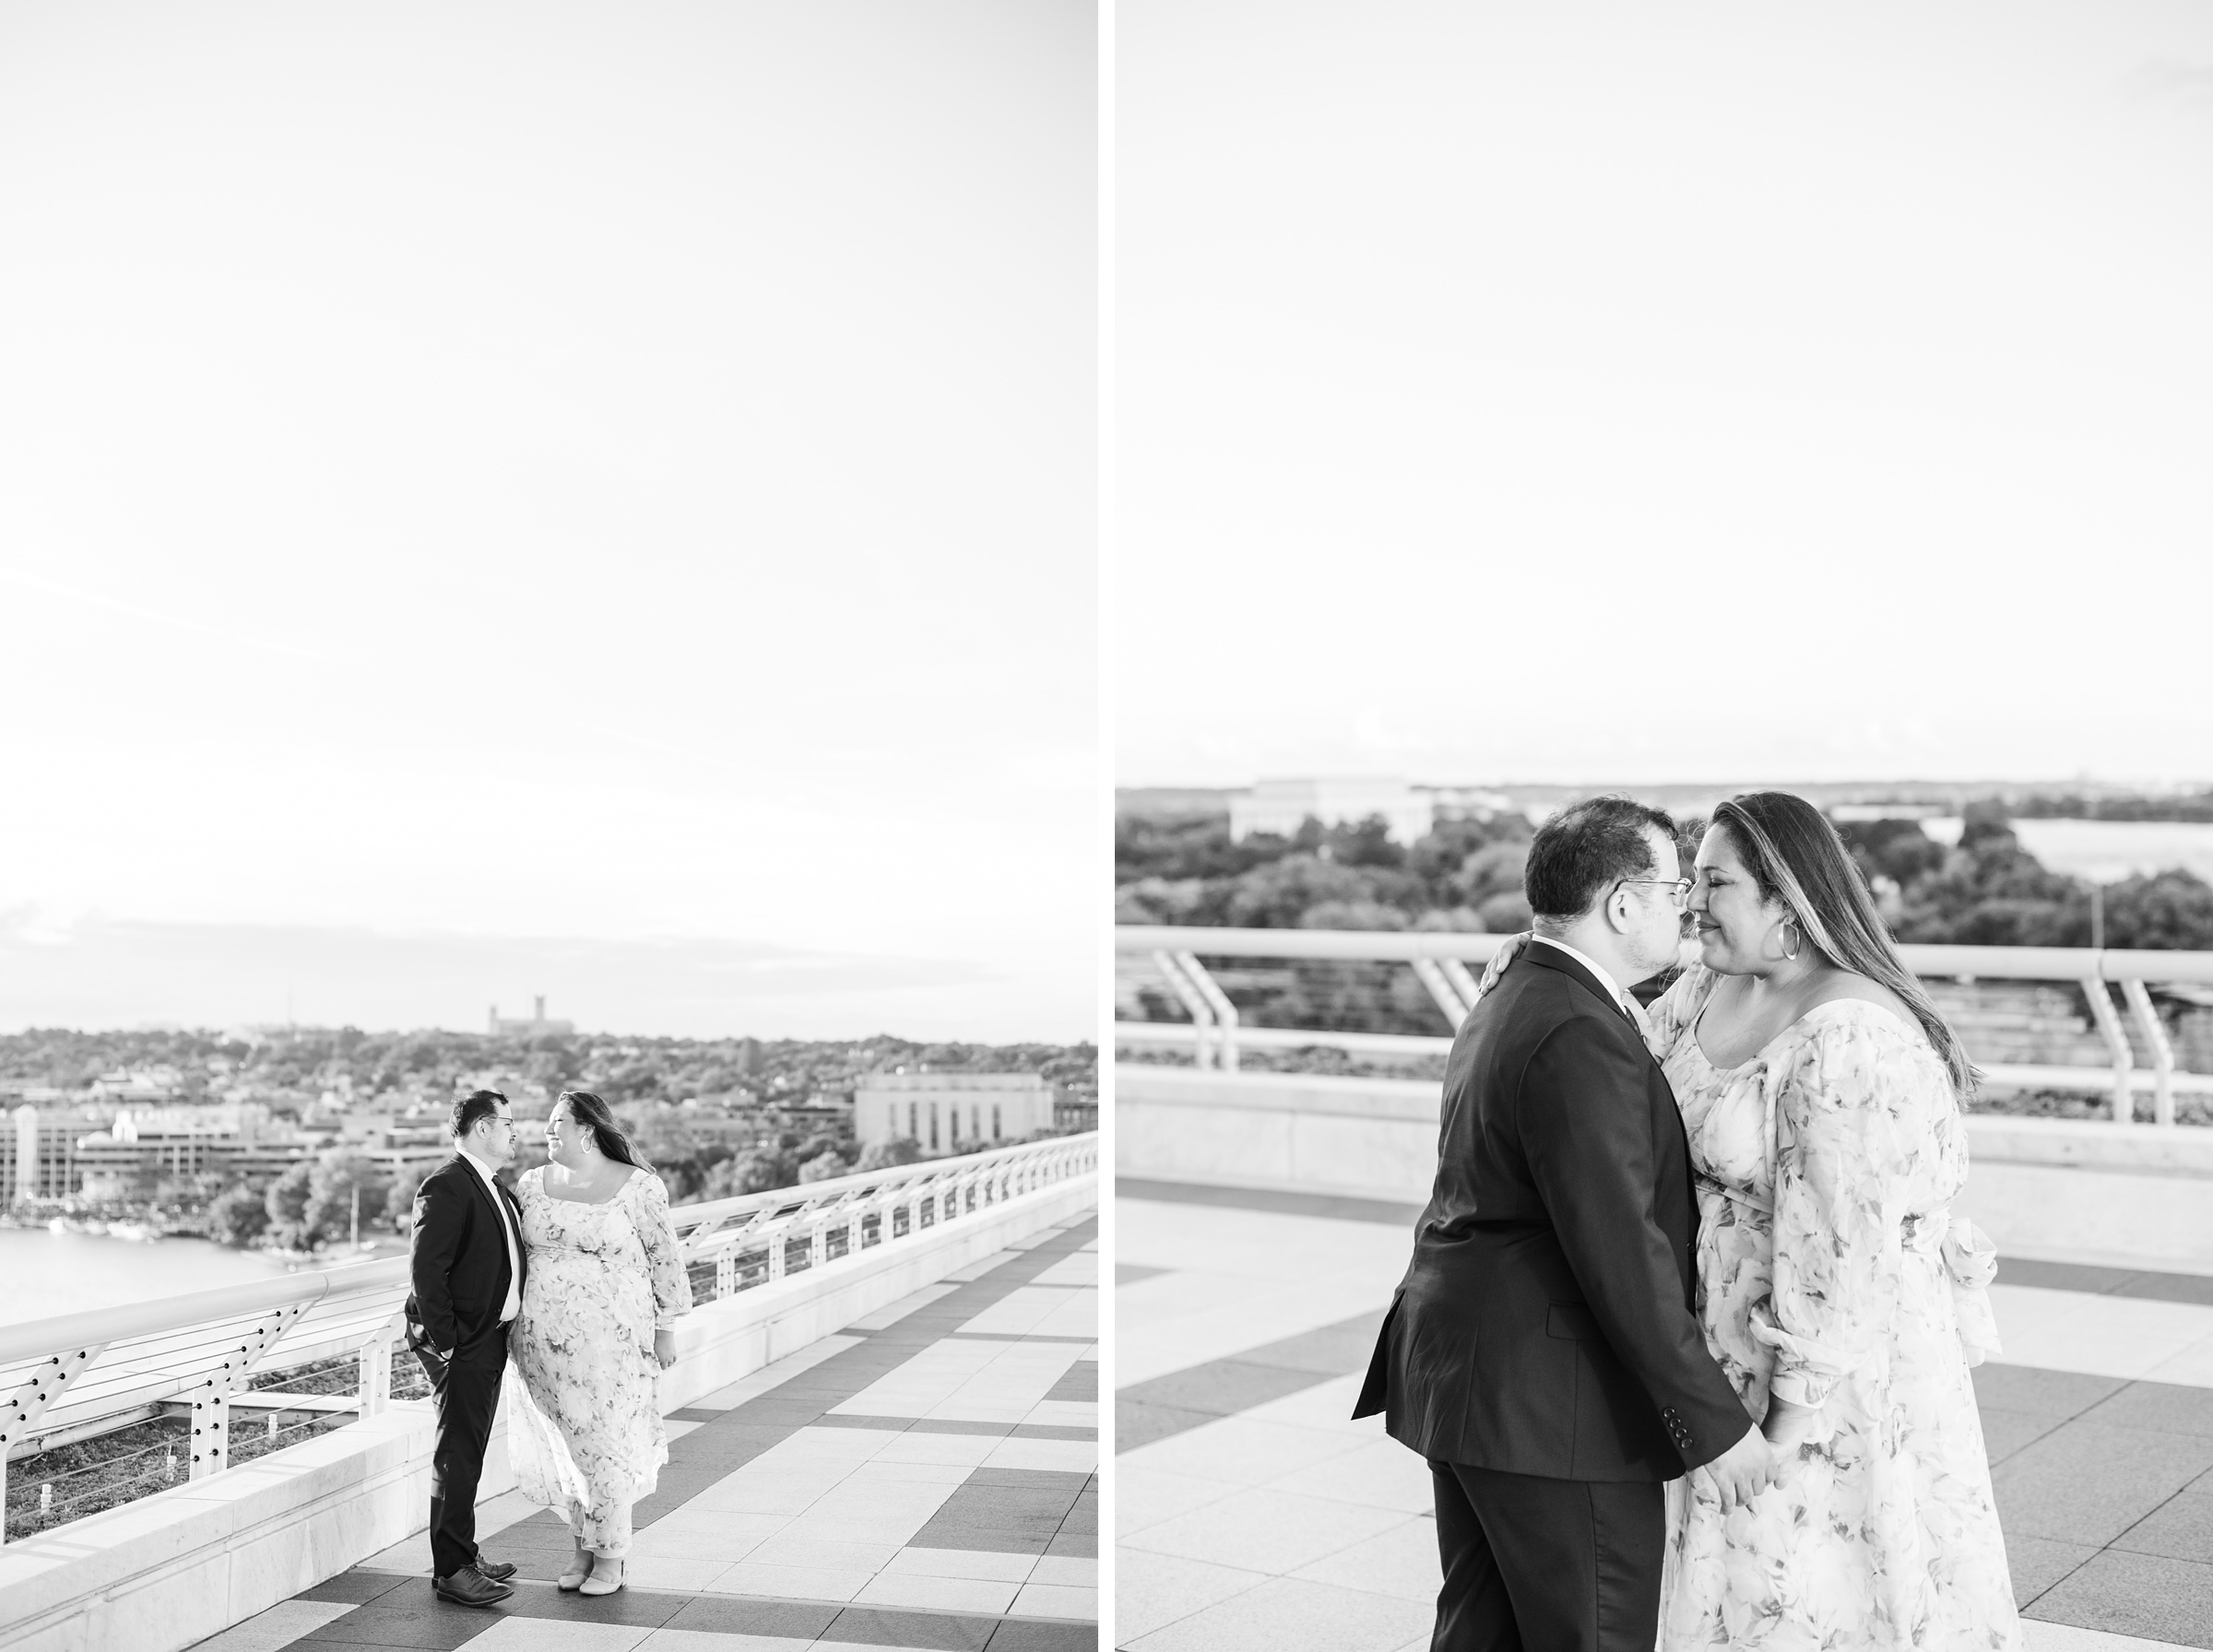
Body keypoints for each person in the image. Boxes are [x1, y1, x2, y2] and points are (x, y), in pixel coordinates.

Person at [1475, 792, 2019, 1649]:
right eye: (1688, 880)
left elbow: (1838, 1251)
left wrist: (1786, 1425)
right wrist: (1545, 955)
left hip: (1814, 1379)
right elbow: (1615, 1068)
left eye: (1714, 882)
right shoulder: (1704, 987)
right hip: (1715, 1357)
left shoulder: (1849, 1035)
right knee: (1730, 1599)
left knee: (1807, 1586)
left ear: (1789, 902)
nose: (1691, 901)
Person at [1355, 796, 1776, 1652]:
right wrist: (1715, 1428)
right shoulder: (1577, 1029)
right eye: (1671, 887)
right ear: (1623, 904)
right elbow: (1621, 1254)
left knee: (1484, 1634)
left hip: (1473, 1382)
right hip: (1552, 1410)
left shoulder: (1519, 989)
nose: (1687, 906)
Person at [503, 1089, 692, 1597]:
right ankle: (583, 1548)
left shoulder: (639, 1187)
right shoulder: (531, 1184)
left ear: (586, 1128)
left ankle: (613, 1556)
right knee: (569, 1449)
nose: (545, 1132)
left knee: (605, 1445)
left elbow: (665, 1258)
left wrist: (667, 1327)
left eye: (555, 1123)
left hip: (615, 1344)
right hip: (540, 1346)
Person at [404, 1089, 527, 1608]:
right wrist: (449, 1343)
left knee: (468, 1453)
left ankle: (462, 1552)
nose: (515, 1132)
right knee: (456, 1455)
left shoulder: (491, 1186)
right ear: (481, 1127)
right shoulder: (447, 1185)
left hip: (486, 1338)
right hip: (464, 1343)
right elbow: (426, 1272)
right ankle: (452, 1570)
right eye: (507, 1123)